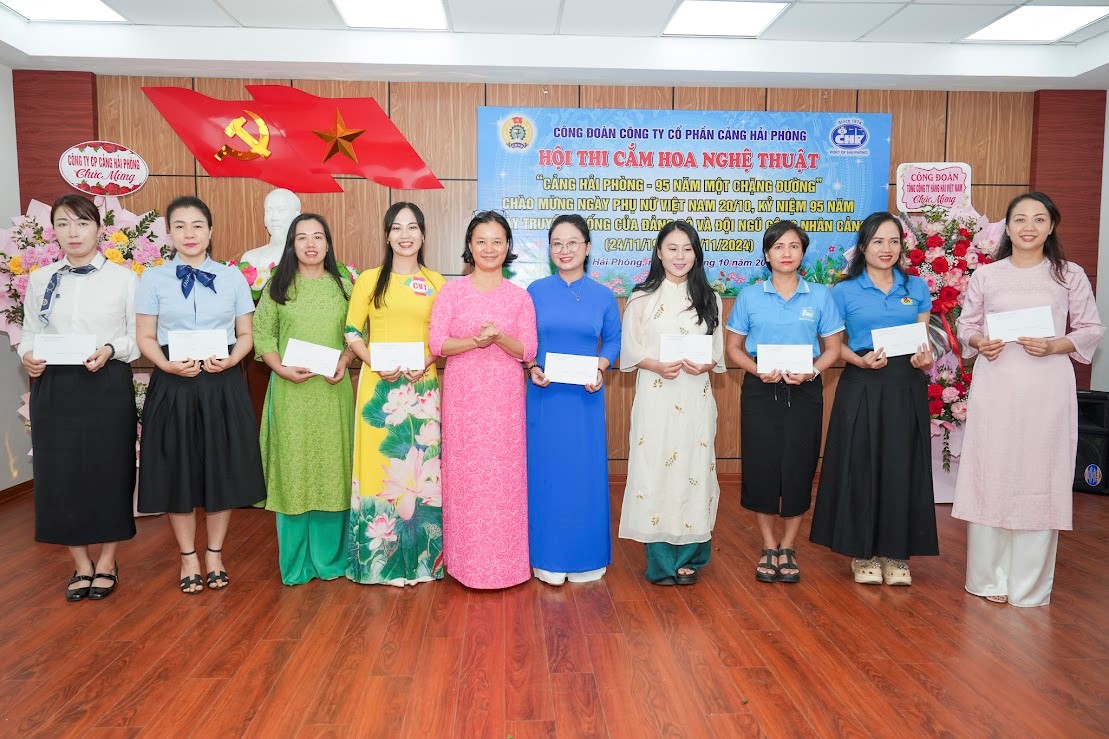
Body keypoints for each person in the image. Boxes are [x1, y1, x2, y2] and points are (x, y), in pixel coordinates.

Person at [952, 192, 1103, 607]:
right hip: (997, 382)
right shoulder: (988, 275)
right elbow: (966, 325)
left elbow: (1090, 328)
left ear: (1052, 226)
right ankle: (988, 579)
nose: (1029, 227)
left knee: (1040, 471)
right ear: (1008, 226)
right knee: (993, 469)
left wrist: (1055, 345)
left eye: (1039, 219)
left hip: (1046, 386)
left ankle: (1028, 586)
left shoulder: (1069, 275)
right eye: (1020, 219)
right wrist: (979, 342)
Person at [135, 196, 265, 594]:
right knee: (178, 471)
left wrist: (232, 360)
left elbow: (246, 334)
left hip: (221, 382)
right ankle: (188, 556)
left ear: (210, 231)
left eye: (197, 225)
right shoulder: (153, 279)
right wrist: (166, 364)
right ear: (169, 232)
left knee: (221, 470)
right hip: (173, 381)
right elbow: (145, 336)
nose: (189, 234)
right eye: (179, 226)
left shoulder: (232, 278)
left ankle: (214, 553)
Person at [18, 194, 138, 601]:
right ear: (54, 231)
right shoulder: (41, 278)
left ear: (99, 229)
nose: (73, 232)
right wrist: (27, 355)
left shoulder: (124, 278)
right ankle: (81, 564)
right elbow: (30, 332)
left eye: (82, 223)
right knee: (60, 472)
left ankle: (107, 561)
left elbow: (137, 337)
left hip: (106, 380)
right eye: (64, 224)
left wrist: (111, 348)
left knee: (110, 469)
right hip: (55, 385)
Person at [809, 212, 938, 586]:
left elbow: (923, 341)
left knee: (902, 466)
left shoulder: (916, 287)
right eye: (878, 241)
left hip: (905, 384)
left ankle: (896, 553)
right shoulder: (843, 291)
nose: (887, 249)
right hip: (862, 382)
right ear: (863, 246)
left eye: (894, 241)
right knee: (860, 464)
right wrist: (860, 361)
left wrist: (926, 358)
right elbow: (833, 345)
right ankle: (862, 553)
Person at [725, 220, 844, 584]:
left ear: (803, 252)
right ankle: (768, 545)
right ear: (767, 254)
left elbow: (833, 349)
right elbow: (733, 349)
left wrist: (812, 371)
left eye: (793, 246)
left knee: (799, 466)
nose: (786, 253)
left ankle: (788, 546)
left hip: (805, 389)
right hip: (760, 389)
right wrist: (757, 369)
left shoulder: (820, 295)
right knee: (761, 466)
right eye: (778, 247)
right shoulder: (750, 296)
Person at [429, 210, 537, 589]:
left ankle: (507, 566)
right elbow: (437, 344)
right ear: (470, 246)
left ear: (508, 247)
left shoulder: (520, 297)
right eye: (481, 241)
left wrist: (499, 338)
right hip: (463, 403)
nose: (489, 248)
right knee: (466, 480)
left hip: (505, 405)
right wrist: (474, 342)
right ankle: (465, 564)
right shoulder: (451, 292)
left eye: (497, 241)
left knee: (505, 481)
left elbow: (528, 350)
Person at [618, 220, 725, 586]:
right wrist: (655, 364)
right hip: (656, 396)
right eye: (672, 248)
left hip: (695, 397)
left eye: (687, 249)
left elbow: (716, 352)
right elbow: (630, 350)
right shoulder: (641, 298)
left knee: (695, 469)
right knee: (656, 472)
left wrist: (706, 363)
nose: (680, 256)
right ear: (659, 253)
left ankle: (691, 557)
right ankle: (661, 562)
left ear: (697, 254)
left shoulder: (709, 298)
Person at [344, 202, 446, 586]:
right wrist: (372, 360)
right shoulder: (370, 280)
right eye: (397, 228)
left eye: (412, 227)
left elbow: (443, 336)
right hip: (379, 388)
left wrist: (429, 358)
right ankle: (377, 563)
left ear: (423, 234)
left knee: (422, 472)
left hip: (422, 388)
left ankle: (423, 563)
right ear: (387, 235)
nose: (405, 235)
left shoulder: (437, 282)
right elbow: (352, 331)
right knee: (380, 471)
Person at [254, 213, 354, 586]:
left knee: (332, 470)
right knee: (293, 470)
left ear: (328, 243)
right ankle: (295, 564)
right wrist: (279, 368)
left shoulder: (344, 287)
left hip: (331, 390)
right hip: (290, 392)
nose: (310, 244)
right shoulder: (278, 287)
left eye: (317, 236)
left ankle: (330, 561)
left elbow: (356, 335)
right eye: (301, 237)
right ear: (291, 245)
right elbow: (263, 335)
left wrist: (345, 360)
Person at [525, 214, 621, 586]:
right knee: (547, 474)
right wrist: (532, 365)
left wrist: (600, 367)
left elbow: (613, 341)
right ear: (549, 249)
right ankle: (547, 557)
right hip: (545, 395)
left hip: (585, 398)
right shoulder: (534, 291)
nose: (564, 250)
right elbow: (525, 340)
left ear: (587, 247)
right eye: (557, 243)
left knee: (584, 476)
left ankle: (586, 557)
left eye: (572, 243)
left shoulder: (603, 295)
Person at [240, 188, 302, 273]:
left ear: (297, 216)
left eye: (281, 210)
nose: (274, 218)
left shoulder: (307, 259)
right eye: (269, 211)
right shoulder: (250, 259)